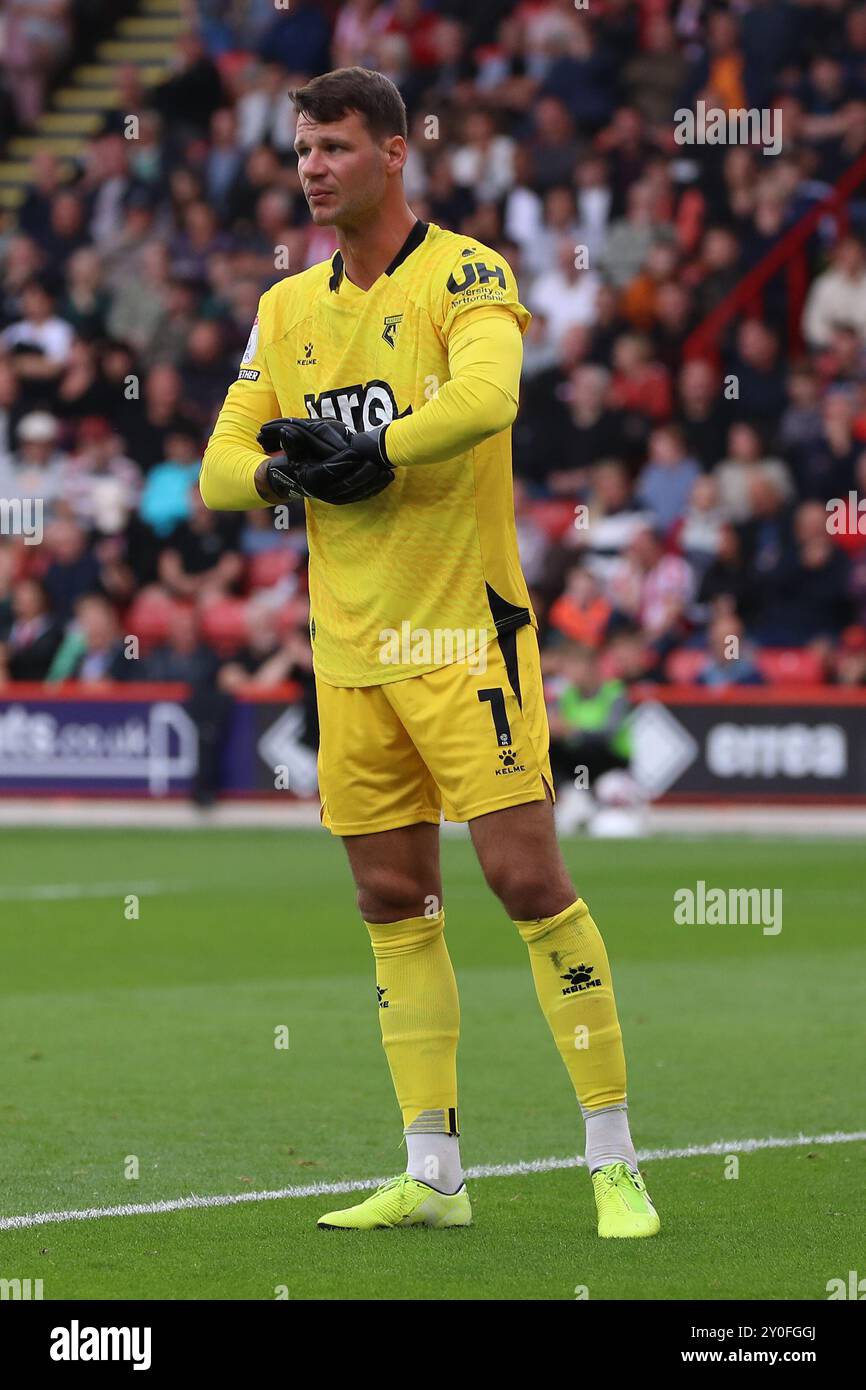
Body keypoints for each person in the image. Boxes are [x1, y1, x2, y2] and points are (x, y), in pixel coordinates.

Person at [200, 67, 658, 1239]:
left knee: (523, 881)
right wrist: (279, 473)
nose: (310, 167)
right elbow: (216, 465)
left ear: (395, 153)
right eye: (301, 147)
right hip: (349, 654)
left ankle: (612, 1158)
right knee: (390, 898)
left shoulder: (466, 270)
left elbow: (491, 397)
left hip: (464, 638)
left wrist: (378, 448)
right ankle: (433, 1174)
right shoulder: (285, 308)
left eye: (335, 146)